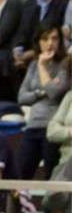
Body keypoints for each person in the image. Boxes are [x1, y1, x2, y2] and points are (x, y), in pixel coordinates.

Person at [16, 24, 71, 179]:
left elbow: (54, 93)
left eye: (54, 38)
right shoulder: (33, 64)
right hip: (33, 124)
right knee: (20, 175)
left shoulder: (65, 64)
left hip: (51, 127)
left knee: (50, 177)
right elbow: (21, 97)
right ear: (38, 41)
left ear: (60, 41)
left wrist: (42, 66)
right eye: (45, 39)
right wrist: (41, 92)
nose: (50, 43)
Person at [12, 0, 69, 71]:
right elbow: (22, 31)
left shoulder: (66, 0)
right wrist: (18, 50)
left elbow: (62, 34)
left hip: (52, 50)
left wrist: (33, 53)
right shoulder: (30, 3)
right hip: (27, 52)